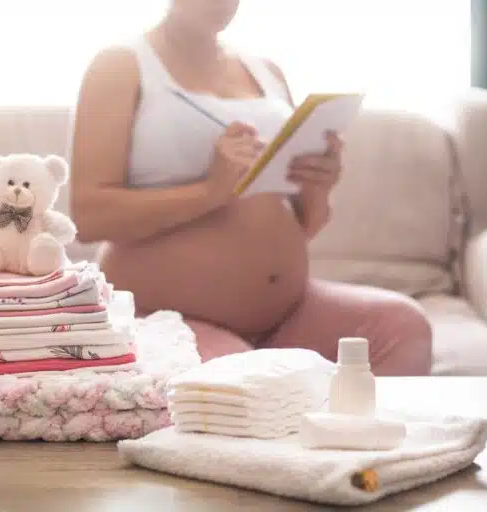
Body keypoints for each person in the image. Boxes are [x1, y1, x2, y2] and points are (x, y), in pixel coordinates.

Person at [67, 0, 432, 376]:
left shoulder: (266, 72)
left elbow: (302, 225)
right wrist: (210, 191)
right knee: (247, 379)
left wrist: (317, 186)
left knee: (401, 327)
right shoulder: (121, 65)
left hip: (286, 312)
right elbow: (90, 216)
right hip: (166, 318)